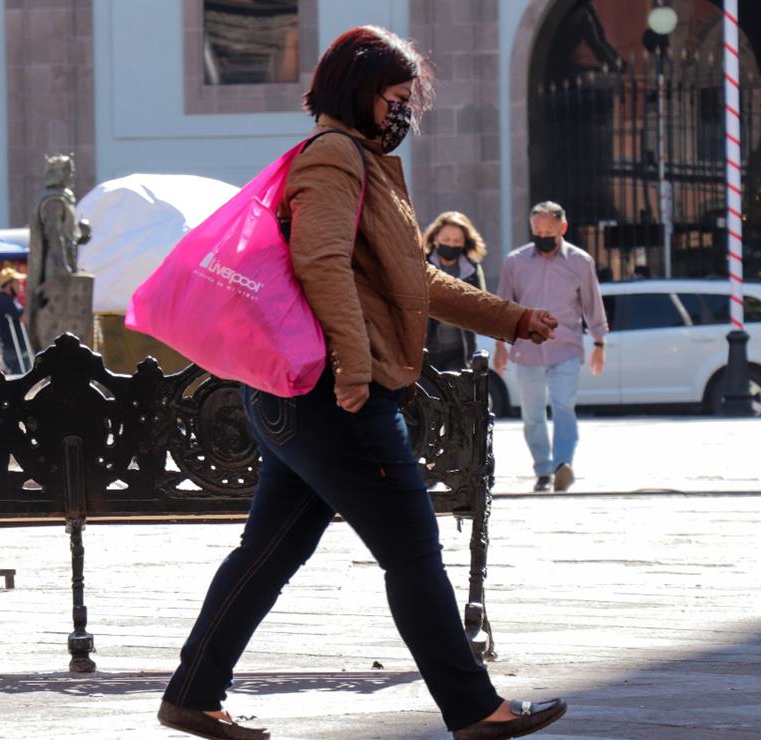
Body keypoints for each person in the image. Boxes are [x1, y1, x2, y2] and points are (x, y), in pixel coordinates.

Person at [158, 26, 567, 740]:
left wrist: (508, 319)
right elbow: (320, 264)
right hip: (334, 397)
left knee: (269, 552)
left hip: (303, 401)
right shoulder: (334, 158)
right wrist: (351, 366)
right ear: (359, 89)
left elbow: (411, 277)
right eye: (395, 98)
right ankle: (473, 707)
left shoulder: (357, 163)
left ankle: (192, 694)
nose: (403, 113)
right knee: (410, 550)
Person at [494, 201, 608, 493]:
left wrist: (598, 343)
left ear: (563, 228)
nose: (543, 235)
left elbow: (592, 304)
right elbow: (504, 306)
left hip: (566, 347)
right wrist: (501, 346)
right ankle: (543, 470)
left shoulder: (581, 261)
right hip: (527, 349)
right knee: (532, 415)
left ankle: (562, 465)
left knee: (563, 406)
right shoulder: (515, 262)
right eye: (538, 230)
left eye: (549, 230)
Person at [423, 211, 489, 372]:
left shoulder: (472, 269)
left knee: (456, 396)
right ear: (435, 239)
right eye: (446, 239)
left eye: (457, 241)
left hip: (460, 351)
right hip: (426, 349)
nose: (451, 245)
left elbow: (481, 306)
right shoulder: (421, 264)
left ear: (464, 243)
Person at [0, 266, 32, 373]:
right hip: (16, 349)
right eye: (18, 283)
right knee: (21, 381)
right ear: (9, 285)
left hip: (9, 348)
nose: (21, 287)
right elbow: (24, 318)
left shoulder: (0, 299)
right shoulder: (8, 302)